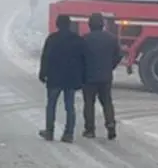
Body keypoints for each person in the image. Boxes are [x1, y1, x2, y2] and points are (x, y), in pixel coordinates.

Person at [38, 14, 87, 142]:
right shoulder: (78, 40)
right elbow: (83, 60)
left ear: (57, 24)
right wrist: (82, 77)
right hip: (71, 78)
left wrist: (43, 73)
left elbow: (46, 57)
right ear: (70, 25)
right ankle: (68, 134)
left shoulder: (52, 39)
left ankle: (49, 132)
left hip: (55, 77)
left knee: (51, 105)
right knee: (70, 106)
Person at [81, 12, 123, 140]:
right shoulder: (111, 39)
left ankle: (90, 129)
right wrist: (110, 66)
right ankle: (110, 125)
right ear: (103, 25)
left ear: (89, 25)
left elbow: (80, 57)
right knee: (107, 102)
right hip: (105, 76)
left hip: (88, 76)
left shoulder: (84, 39)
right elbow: (119, 55)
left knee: (89, 103)